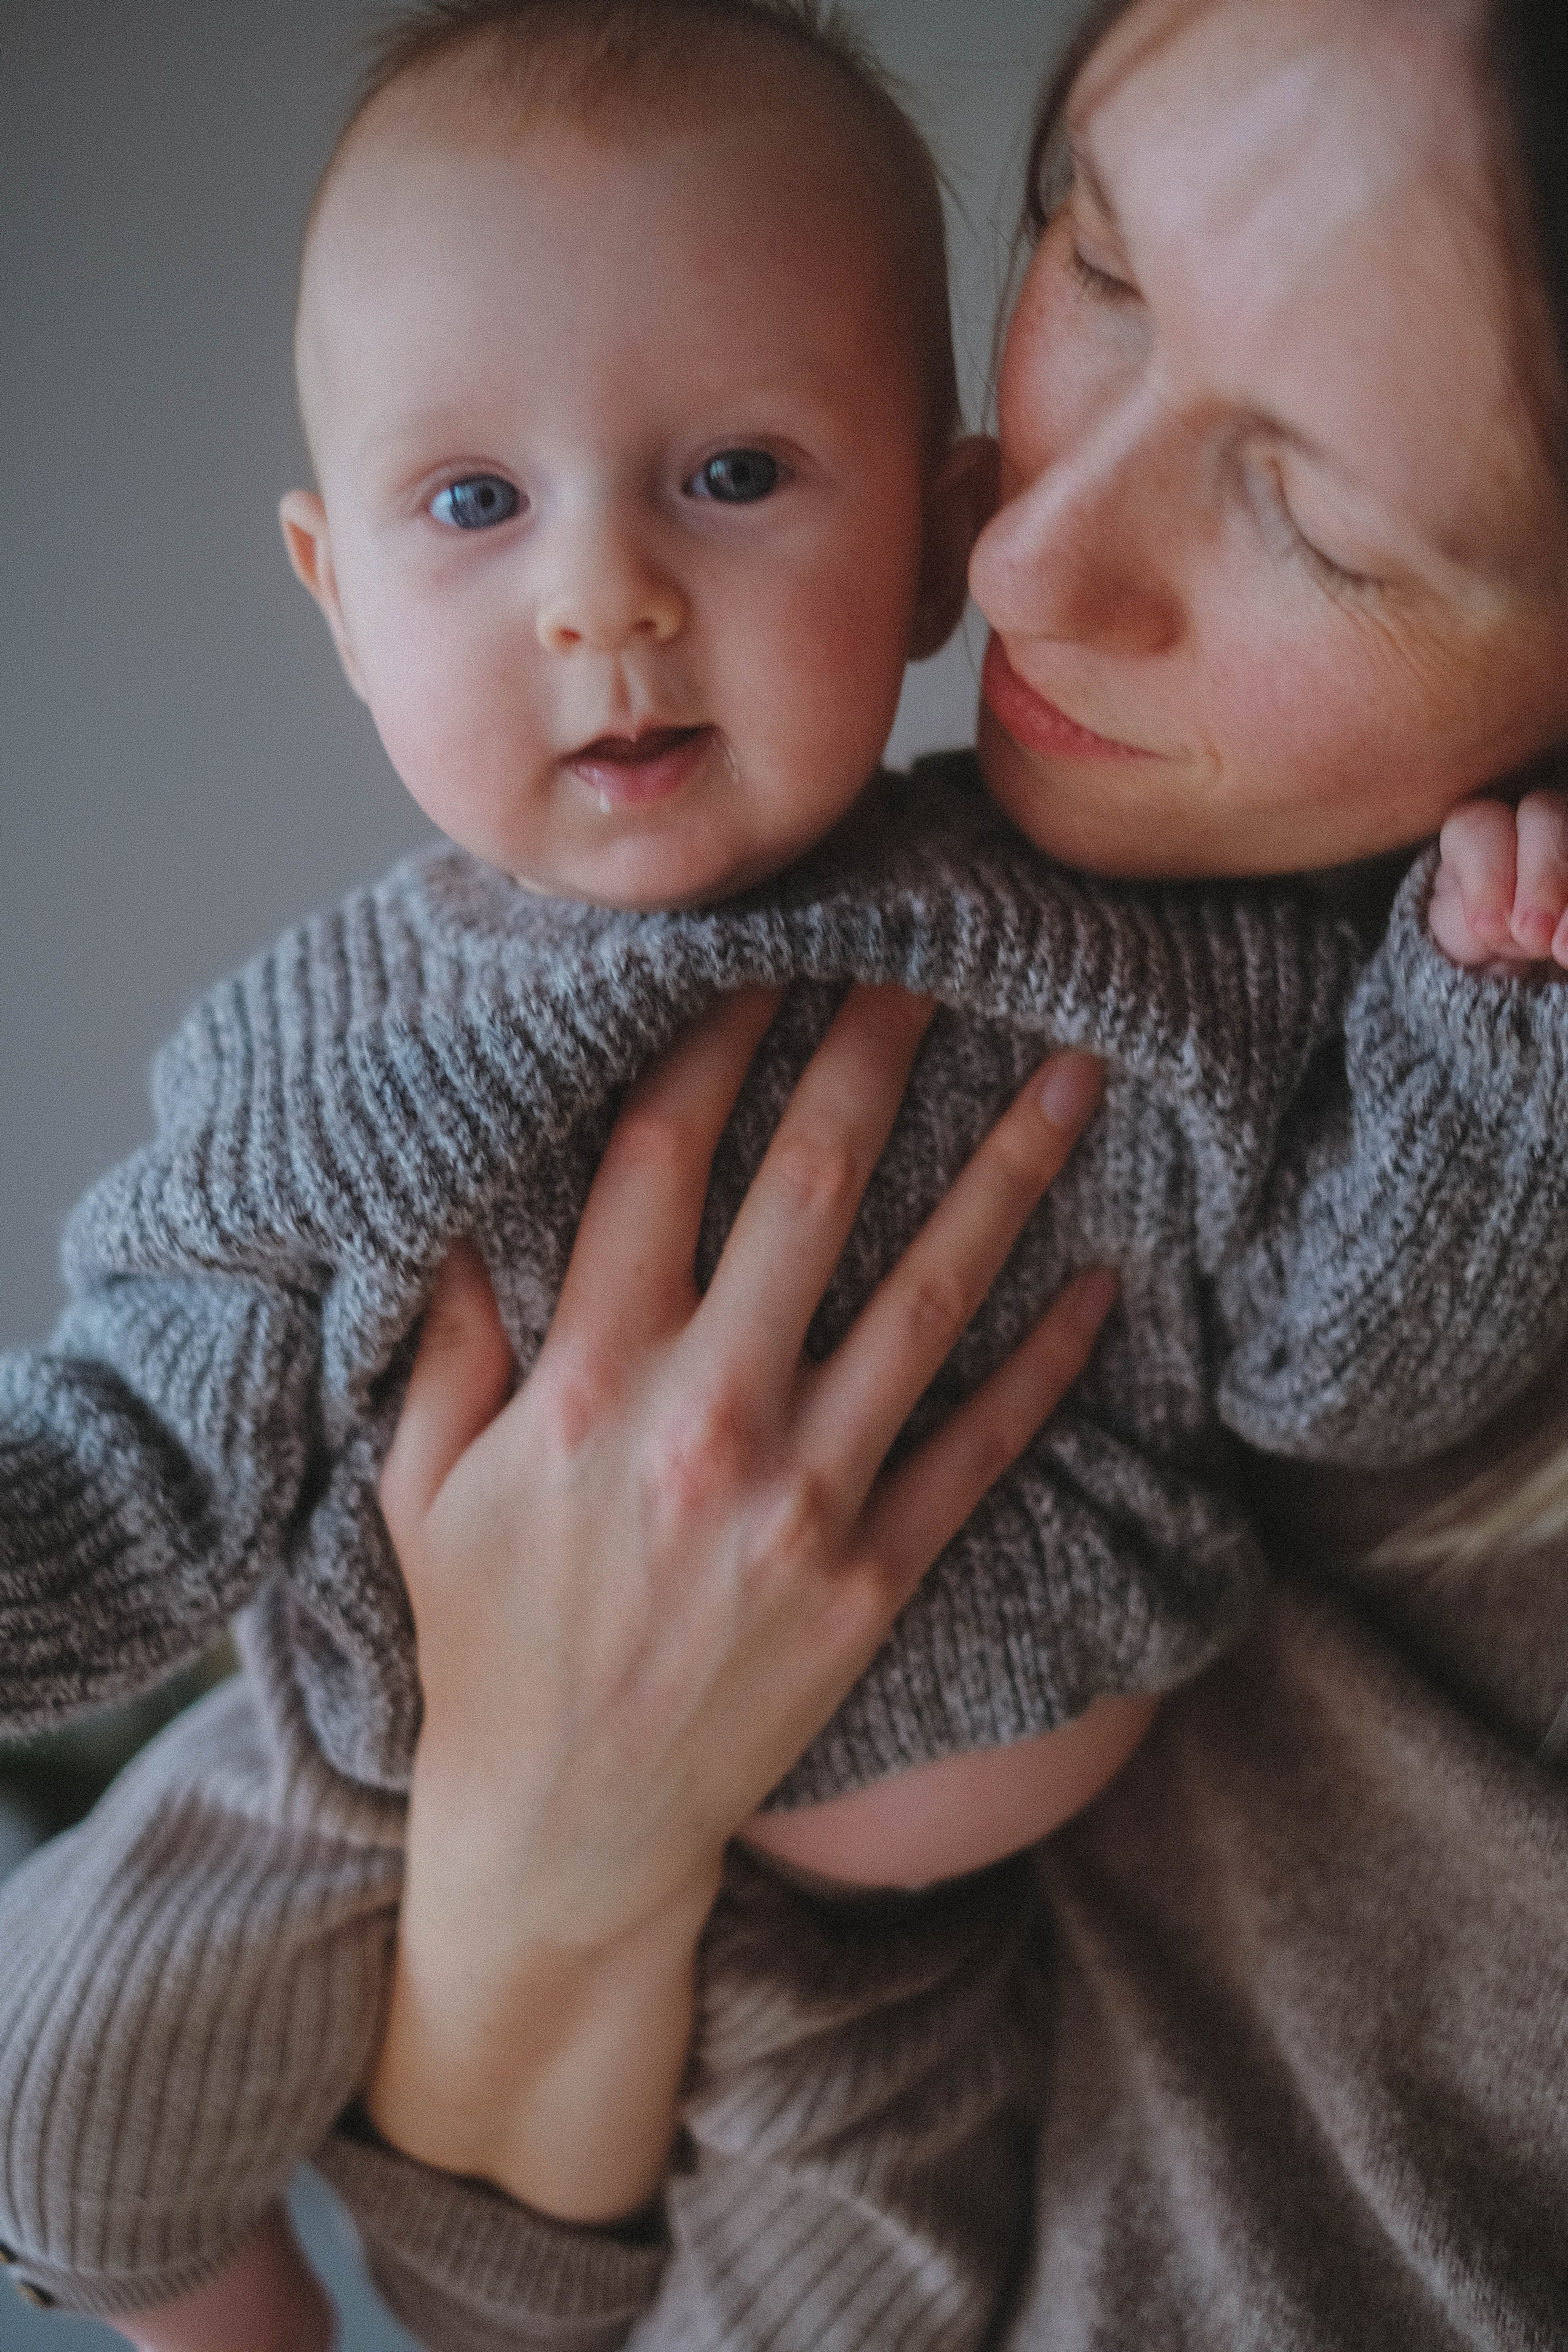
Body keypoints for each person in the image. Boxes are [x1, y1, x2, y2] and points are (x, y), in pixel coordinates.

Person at [2, 0, 1567, 2342]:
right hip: (384, 1783)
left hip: (894, 1961)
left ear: (918, 536)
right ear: (332, 589)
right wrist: (530, 1839)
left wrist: (1491, 1027)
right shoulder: (366, 1039)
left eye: (736, 474)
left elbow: (1344, 1359)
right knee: (73, 2097)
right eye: (1100, 269)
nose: (600, 598)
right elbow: (136, 1443)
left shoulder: (1171, 985)